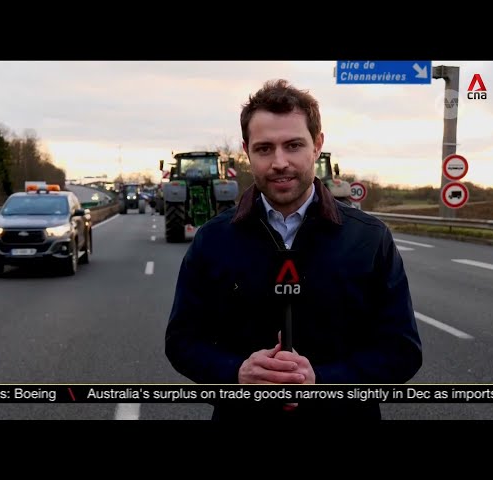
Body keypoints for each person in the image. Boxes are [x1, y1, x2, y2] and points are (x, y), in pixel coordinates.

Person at [164, 79, 422, 420]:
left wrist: (323, 382)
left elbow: (402, 350)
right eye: (265, 148)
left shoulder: (369, 238)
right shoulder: (212, 239)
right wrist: (236, 373)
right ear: (247, 151)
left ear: (317, 145)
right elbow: (182, 343)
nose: (280, 161)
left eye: (293, 145)